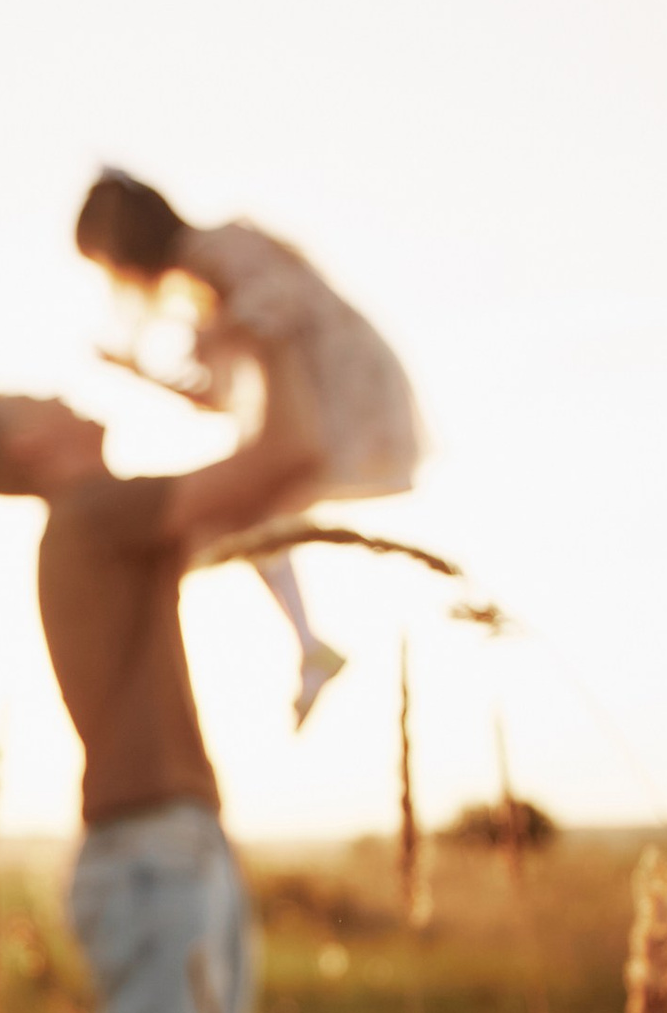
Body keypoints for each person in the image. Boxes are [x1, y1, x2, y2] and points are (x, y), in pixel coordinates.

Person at [0, 338, 324, 1013]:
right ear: (31, 443)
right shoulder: (93, 513)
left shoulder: (109, 525)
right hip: (153, 857)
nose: (63, 389)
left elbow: (265, 496)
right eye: (38, 388)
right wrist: (265, 324)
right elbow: (287, 458)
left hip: (179, 849)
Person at [74, 169, 425, 728]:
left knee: (250, 520)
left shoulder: (222, 247)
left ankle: (309, 646)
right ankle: (309, 645)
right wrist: (142, 371)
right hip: (311, 402)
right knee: (253, 526)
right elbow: (218, 396)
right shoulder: (204, 290)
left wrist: (217, 334)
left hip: (340, 392)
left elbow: (276, 306)